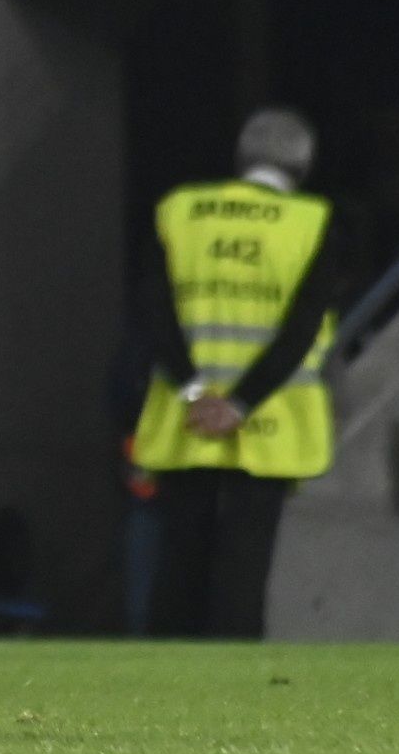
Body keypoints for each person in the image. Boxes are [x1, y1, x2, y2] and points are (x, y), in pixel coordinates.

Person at [128, 109, 342, 640]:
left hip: (187, 415)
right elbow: (303, 328)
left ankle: (161, 688)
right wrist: (240, 402)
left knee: (178, 562)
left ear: (241, 157)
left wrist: (198, 392)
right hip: (266, 420)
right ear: (303, 163)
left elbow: (155, 313)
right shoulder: (311, 222)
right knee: (244, 569)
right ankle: (235, 691)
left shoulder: (178, 211)